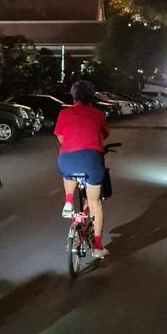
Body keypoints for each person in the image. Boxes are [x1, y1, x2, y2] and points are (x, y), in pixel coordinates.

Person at [54, 79, 110, 259]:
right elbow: (102, 136)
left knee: (68, 172)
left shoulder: (64, 113)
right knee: (94, 202)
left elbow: (61, 138)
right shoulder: (98, 114)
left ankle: (68, 201)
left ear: (74, 96)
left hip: (67, 160)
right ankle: (98, 247)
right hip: (91, 160)